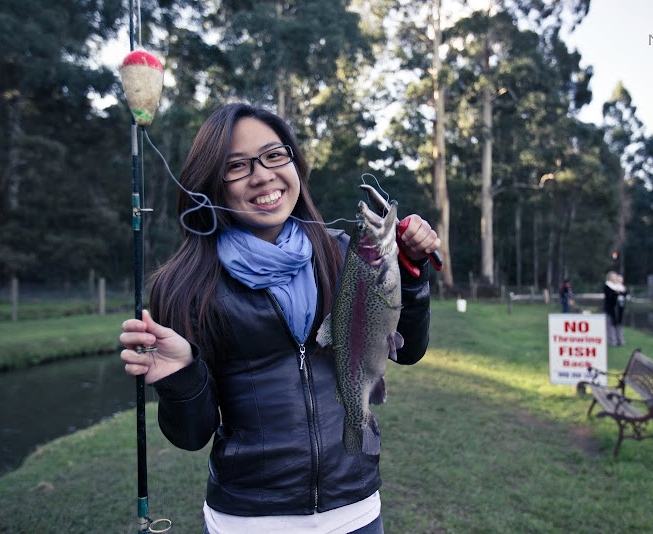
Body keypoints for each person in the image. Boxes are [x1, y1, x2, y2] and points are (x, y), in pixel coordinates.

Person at [119, 103, 441, 534]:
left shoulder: (343, 254)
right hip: (246, 522)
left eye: (274, 155)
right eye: (237, 166)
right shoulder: (184, 285)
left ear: (294, 163)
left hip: (358, 512)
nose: (263, 175)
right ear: (211, 183)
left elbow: (408, 349)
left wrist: (411, 273)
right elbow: (191, 436)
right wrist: (180, 375)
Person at [603, 271, 625, 346]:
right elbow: (610, 296)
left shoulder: (618, 286)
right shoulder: (607, 286)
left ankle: (620, 340)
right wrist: (616, 293)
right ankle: (612, 341)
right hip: (610, 309)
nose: (615, 277)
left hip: (618, 309)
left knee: (618, 324)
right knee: (611, 325)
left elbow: (624, 293)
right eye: (613, 276)